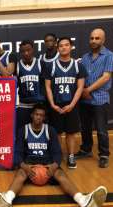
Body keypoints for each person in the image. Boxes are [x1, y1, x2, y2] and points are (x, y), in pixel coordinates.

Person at [0, 104, 107, 207]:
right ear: (32, 115)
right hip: (30, 166)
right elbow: (17, 153)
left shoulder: (50, 130)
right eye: (37, 114)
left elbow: (57, 153)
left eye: (42, 115)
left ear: (44, 118)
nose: (39, 117)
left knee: (61, 175)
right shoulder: (24, 130)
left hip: (48, 165)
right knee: (20, 173)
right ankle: (7, 199)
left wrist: (54, 166)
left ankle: (83, 201)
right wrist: (25, 167)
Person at [75, 28, 113, 168]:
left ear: (103, 40)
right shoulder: (85, 57)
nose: (94, 41)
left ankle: (104, 154)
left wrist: (88, 89)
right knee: (85, 127)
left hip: (100, 98)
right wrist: (83, 91)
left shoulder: (110, 56)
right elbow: (81, 76)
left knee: (101, 129)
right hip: (85, 99)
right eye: (92, 38)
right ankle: (86, 150)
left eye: (97, 38)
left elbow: (106, 77)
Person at [44, 37, 87, 169]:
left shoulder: (78, 65)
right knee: (57, 133)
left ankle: (71, 156)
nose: (63, 47)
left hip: (71, 104)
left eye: (66, 45)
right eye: (61, 46)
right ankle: (58, 156)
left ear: (71, 47)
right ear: (58, 48)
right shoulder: (51, 65)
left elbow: (80, 87)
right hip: (56, 105)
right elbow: (48, 87)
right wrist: (52, 104)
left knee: (71, 132)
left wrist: (72, 105)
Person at [16, 40, 46, 130]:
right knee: (22, 131)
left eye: (28, 50)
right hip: (23, 105)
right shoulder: (17, 66)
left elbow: (46, 84)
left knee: (39, 131)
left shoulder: (41, 64)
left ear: (33, 49)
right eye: (23, 51)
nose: (26, 53)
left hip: (38, 104)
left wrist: (42, 99)